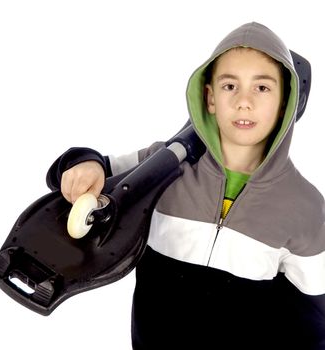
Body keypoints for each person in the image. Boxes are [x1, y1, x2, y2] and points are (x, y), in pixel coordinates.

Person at [46, 22, 325, 349]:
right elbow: (85, 172)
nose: (244, 102)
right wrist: (84, 165)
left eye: (262, 88)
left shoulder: (306, 209)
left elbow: (315, 320)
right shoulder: (161, 165)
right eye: (229, 86)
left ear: (285, 104)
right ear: (209, 98)